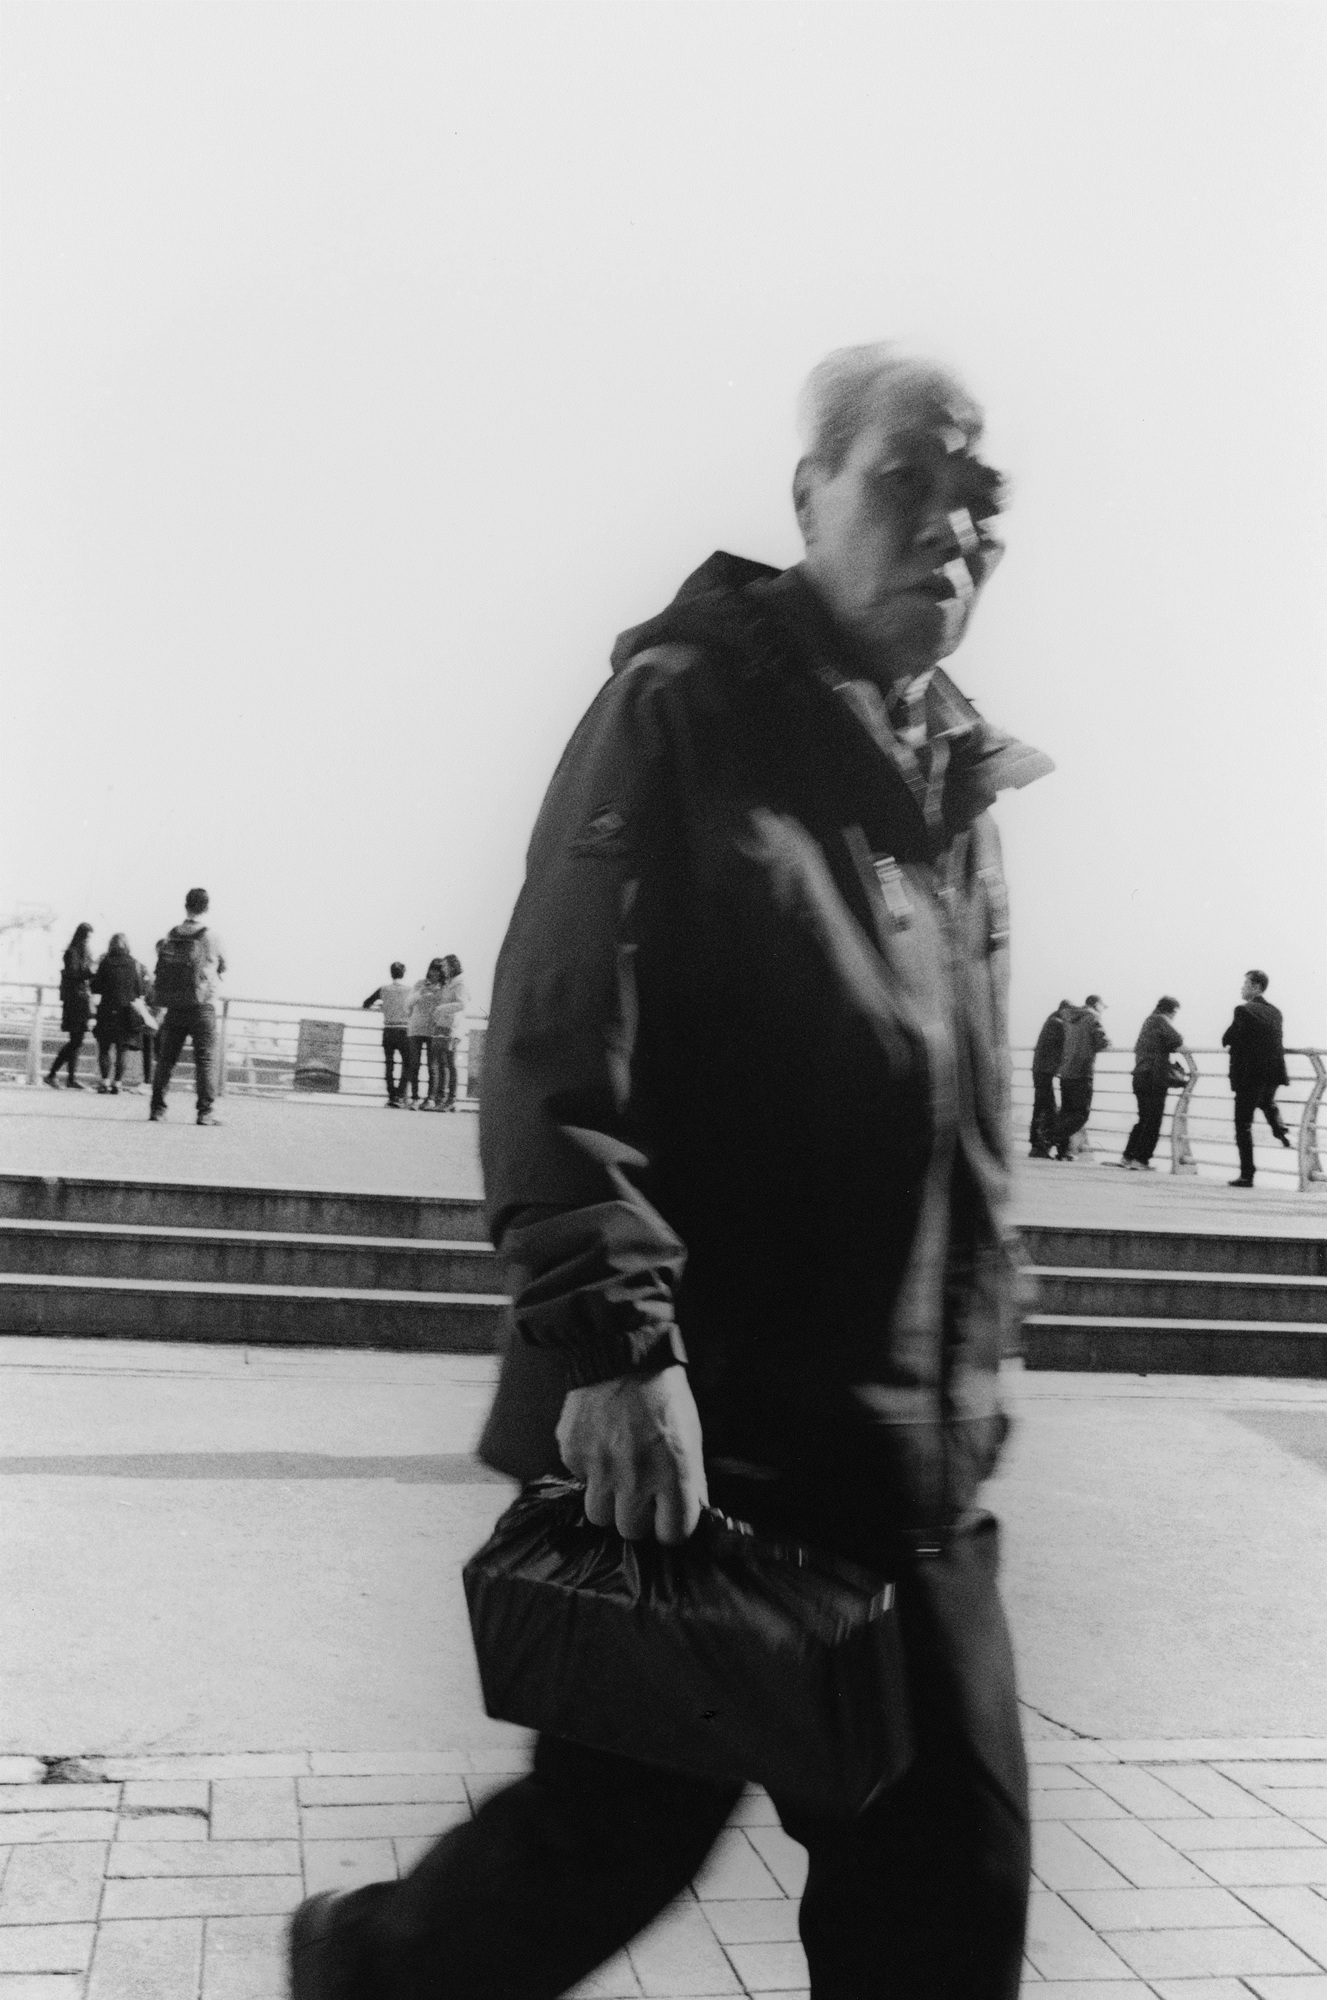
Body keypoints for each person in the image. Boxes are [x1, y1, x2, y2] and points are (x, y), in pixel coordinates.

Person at [290, 344, 1053, 2000]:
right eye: (903, 480)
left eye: (980, 499)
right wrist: (615, 1350)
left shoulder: (956, 788)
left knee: (950, 1892)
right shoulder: (683, 712)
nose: (948, 525)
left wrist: (983, 1347)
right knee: (601, 1849)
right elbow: (561, 1035)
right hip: (711, 1455)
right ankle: (363, 1976)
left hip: (904, 1468)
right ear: (807, 497)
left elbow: (955, 1125)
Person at [148, 888, 227, 1126]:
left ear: (186, 906)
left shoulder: (172, 933)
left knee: (166, 1059)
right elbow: (223, 966)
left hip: (175, 1004)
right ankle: (205, 1112)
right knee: (205, 1060)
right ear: (207, 908)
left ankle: (157, 1109)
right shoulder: (212, 936)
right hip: (202, 1006)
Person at [1222, 969, 1291, 1187]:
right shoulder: (1276, 1012)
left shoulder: (1243, 1010)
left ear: (1256, 987)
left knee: (1243, 1125)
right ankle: (1280, 1130)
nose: (1242, 988)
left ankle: (1247, 1175)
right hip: (1273, 1073)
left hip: (1249, 1076)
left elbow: (1228, 1038)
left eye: (1245, 984)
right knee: (1266, 1101)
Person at [1121, 996, 1183, 1170]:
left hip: (1140, 1075)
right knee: (1153, 1120)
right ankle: (1140, 1160)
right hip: (1153, 1077)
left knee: (1144, 1118)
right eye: (1175, 1013)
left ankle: (1128, 1156)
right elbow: (1177, 1039)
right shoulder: (1161, 1019)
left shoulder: (1148, 1022)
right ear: (1171, 1010)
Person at [1051, 994, 1109, 1160]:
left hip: (1066, 1071)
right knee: (1081, 1114)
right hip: (1082, 1071)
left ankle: (1063, 1151)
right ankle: (1052, 1134)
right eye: (1102, 1006)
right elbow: (1101, 1041)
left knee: (1066, 1112)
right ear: (1097, 1005)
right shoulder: (1092, 1017)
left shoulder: (1069, 1018)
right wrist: (1107, 1043)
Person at [90, 934, 146, 1094]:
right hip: (126, 1011)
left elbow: (95, 987)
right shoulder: (134, 963)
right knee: (122, 1050)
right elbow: (140, 989)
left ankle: (104, 1082)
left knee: (104, 1048)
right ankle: (118, 1084)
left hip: (107, 1009)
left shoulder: (105, 962)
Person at [45, 923, 96, 1089]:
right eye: (87, 937)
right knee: (76, 1040)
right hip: (75, 1001)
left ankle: (69, 1078)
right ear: (82, 937)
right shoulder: (72, 953)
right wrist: (91, 971)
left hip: (79, 1000)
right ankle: (53, 1074)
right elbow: (74, 974)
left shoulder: (79, 952)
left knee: (76, 1040)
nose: (87, 941)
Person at [363, 962, 412, 1107]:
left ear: (391, 973)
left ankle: (392, 1096)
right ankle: (400, 1095)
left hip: (389, 1030)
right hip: (404, 1030)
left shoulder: (383, 989)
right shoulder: (409, 990)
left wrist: (383, 1006)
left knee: (389, 1064)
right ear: (403, 973)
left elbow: (366, 1003)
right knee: (407, 1064)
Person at [1029, 1000, 1071, 1157]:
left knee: (1041, 1106)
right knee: (1048, 1108)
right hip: (1045, 1071)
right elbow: (1065, 1045)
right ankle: (1042, 1146)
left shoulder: (1050, 1021)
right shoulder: (1057, 1024)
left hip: (1040, 1070)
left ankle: (1037, 1145)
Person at [427, 954, 468, 1110]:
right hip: (442, 1026)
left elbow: (462, 1004)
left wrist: (442, 1009)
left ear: (452, 966)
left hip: (452, 1028)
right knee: (442, 1063)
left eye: (445, 966)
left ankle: (451, 1100)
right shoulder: (449, 984)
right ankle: (443, 1100)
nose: (442, 969)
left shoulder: (459, 985)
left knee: (450, 1064)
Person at [405, 959, 446, 1109]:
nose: (434, 973)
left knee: (432, 1066)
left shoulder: (444, 988)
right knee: (414, 1064)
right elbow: (407, 1003)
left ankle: (430, 1099)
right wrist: (420, 992)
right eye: (433, 969)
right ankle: (415, 1098)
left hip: (433, 1030)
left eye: (438, 970)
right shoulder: (420, 984)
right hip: (416, 1028)